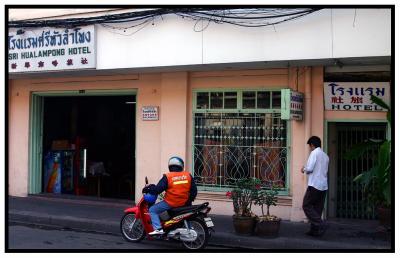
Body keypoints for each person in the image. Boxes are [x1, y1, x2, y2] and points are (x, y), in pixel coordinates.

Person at [146, 156, 197, 235]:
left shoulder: (168, 176)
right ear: (181, 165)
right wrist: (189, 201)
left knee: (152, 210)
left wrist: (149, 189)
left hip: (171, 203)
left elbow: (157, 190)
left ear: (170, 165)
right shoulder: (188, 175)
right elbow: (194, 191)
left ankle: (158, 229)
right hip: (185, 203)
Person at [301, 136, 329, 237]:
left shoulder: (314, 153)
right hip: (323, 186)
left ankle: (321, 224)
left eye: (310, 146)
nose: (310, 148)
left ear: (312, 145)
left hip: (314, 185)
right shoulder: (326, 156)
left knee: (306, 205)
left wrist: (303, 169)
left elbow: (310, 168)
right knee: (317, 208)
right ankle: (314, 230)